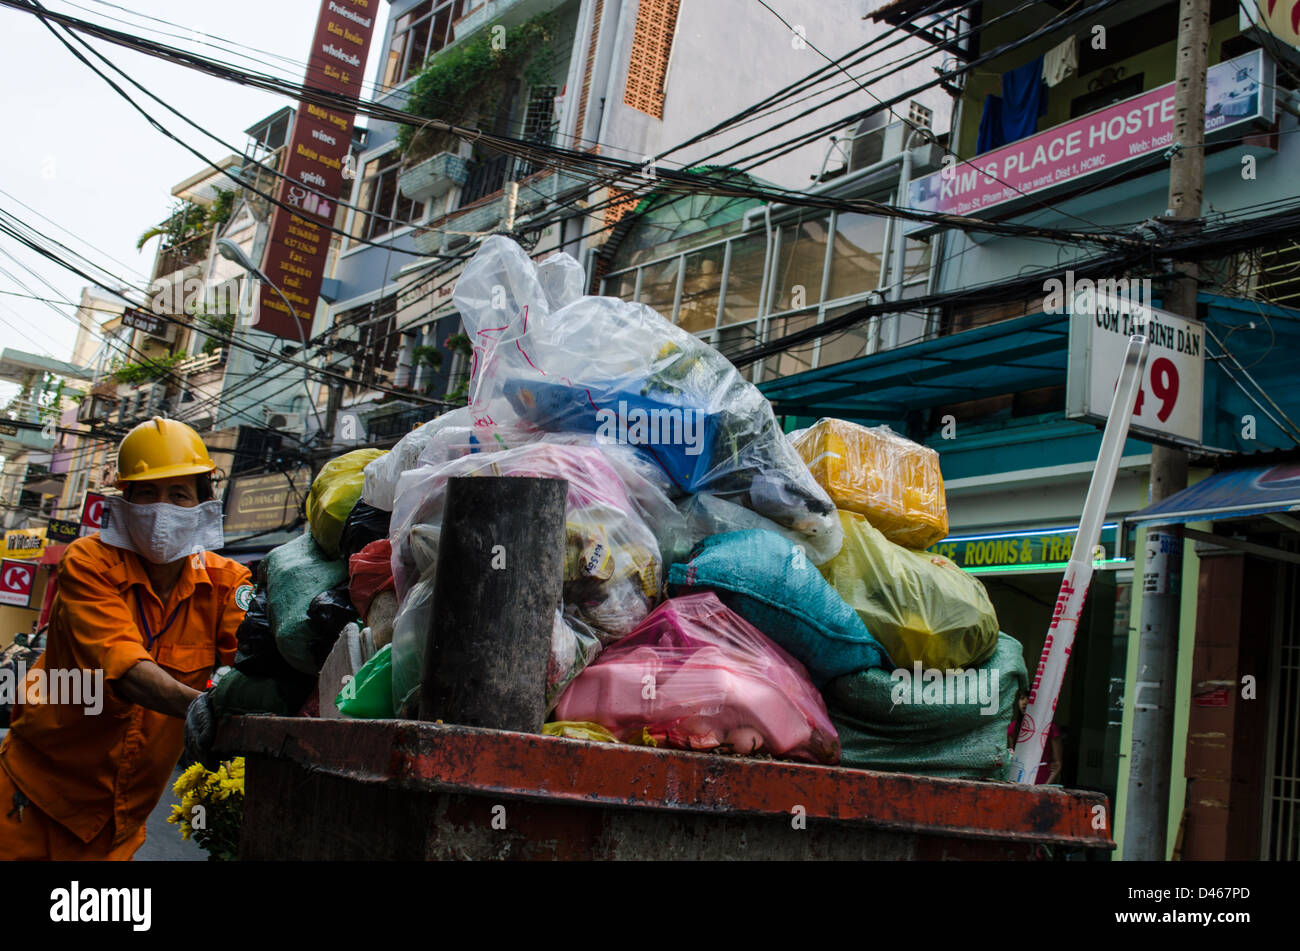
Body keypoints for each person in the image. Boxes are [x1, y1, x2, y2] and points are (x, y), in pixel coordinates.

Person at [0, 417, 250, 860]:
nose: (162, 509)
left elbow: (251, 666)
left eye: (178, 495)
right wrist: (203, 707)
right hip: (31, 803)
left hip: (120, 826)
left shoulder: (227, 584)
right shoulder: (87, 564)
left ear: (203, 504)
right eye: (148, 494)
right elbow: (122, 666)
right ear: (125, 501)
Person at [1009, 689, 1064, 785]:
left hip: (1041, 781)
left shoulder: (1050, 728)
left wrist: (1045, 786)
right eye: (1022, 698)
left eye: (1029, 698)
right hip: (1016, 780)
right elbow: (1011, 756)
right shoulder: (1013, 727)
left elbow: (1057, 764)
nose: (1024, 702)